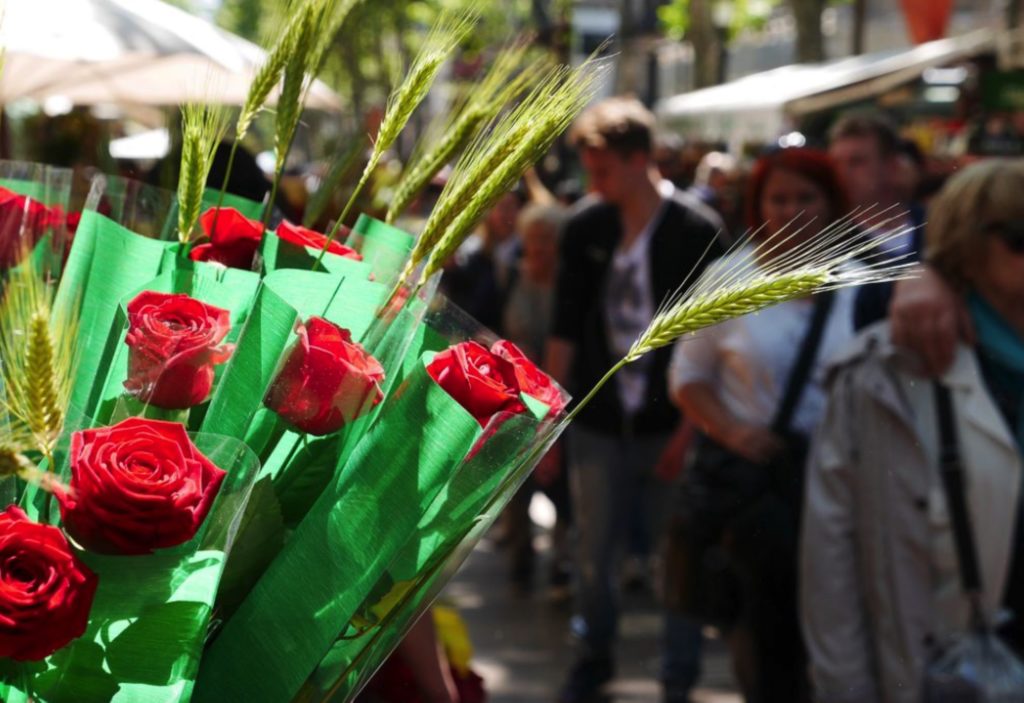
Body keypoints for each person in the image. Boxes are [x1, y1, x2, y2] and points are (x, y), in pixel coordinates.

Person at [801, 158, 1024, 702]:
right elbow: (834, 566)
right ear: (968, 246)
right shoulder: (883, 377)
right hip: (950, 674)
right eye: (1020, 234)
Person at [547, 96, 724, 703]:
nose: (592, 184)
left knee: (678, 558)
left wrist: (690, 432)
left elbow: (713, 347)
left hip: (672, 422)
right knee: (592, 553)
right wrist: (550, 421)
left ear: (639, 159)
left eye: (602, 170)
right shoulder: (584, 227)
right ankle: (591, 658)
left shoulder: (699, 231)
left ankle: (679, 676)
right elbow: (565, 328)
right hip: (598, 425)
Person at [668, 148, 857, 703]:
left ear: (831, 204)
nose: (792, 210)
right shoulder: (727, 278)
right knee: (769, 643)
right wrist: (733, 431)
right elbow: (688, 375)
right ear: (757, 205)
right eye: (779, 198)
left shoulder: (867, 278)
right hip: (762, 494)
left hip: (846, 489)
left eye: (806, 197)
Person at [500, 202, 572, 597]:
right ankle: (519, 554)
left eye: (547, 240)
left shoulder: (569, 284)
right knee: (517, 481)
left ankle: (562, 558)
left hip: (562, 396)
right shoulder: (511, 276)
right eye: (532, 240)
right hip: (518, 399)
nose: (539, 248)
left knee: (561, 483)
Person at [828, 113, 925, 329]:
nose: (842, 173)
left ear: (891, 166)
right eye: (836, 163)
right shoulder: (827, 241)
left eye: (857, 162)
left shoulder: (936, 227)